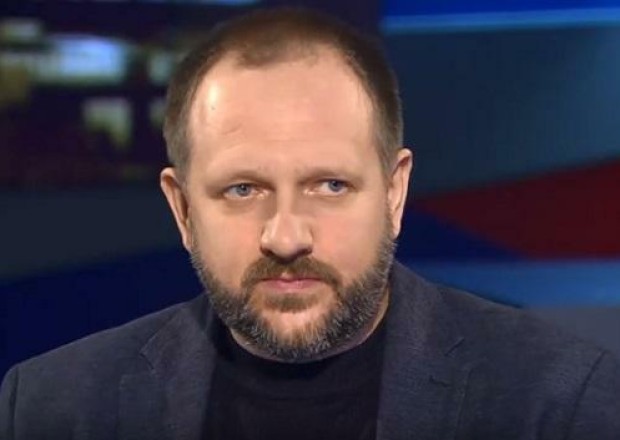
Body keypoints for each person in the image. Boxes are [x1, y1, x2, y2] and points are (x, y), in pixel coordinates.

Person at [1, 7, 619, 440]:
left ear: (395, 193)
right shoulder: (52, 409)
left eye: (330, 186)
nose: (287, 236)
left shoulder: (559, 403)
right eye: (243, 190)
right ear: (182, 209)